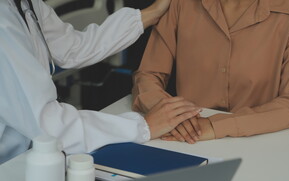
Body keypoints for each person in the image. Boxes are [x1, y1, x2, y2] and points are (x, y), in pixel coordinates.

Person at [0, 0, 202, 163]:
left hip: (26, 157)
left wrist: (152, 13)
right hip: (9, 166)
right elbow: (48, 125)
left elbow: (73, 48)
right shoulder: (3, 22)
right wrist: (142, 126)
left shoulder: (26, 5)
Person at [132, 0, 289, 144]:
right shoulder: (181, 3)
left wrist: (215, 126)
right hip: (187, 140)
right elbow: (148, 75)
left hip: (261, 142)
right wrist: (170, 115)